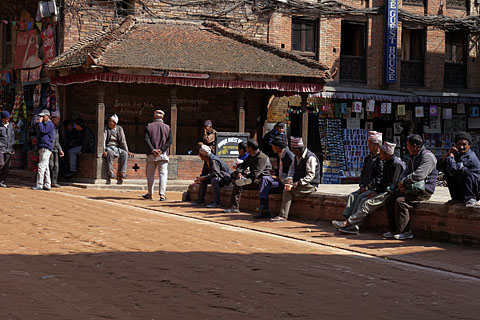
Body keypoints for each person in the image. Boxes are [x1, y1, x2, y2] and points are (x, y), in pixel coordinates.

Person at [332, 141, 405, 235]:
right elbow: (383, 181)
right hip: (382, 189)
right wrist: (374, 190)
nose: (380, 154)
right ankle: (353, 226)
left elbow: (392, 184)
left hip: (391, 192)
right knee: (361, 198)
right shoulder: (384, 161)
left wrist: (376, 191)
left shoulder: (395, 164)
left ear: (386, 154)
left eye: (381, 152)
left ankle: (349, 223)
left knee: (367, 203)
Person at [384, 134, 438, 240]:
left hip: (424, 190)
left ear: (414, 146)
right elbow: (406, 172)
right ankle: (393, 229)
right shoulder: (412, 157)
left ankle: (405, 231)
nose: (407, 148)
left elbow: (420, 174)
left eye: (408, 146)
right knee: (389, 200)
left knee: (401, 202)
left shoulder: (428, 157)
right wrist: (401, 182)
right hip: (410, 188)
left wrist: (404, 182)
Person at [269, 137, 320, 222]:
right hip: (299, 182)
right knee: (287, 186)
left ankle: (283, 215)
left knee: (287, 190)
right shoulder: (297, 157)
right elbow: (291, 170)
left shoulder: (310, 157)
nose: (292, 152)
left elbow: (310, 175)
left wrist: (297, 183)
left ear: (297, 149)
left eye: (292, 150)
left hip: (310, 185)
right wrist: (290, 179)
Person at [342, 131, 384, 221]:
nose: (368, 146)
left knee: (361, 198)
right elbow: (363, 173)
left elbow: (379, 177)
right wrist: (362, 185)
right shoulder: (368, 158)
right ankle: (347, 218)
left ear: (377, 145)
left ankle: (352, 223)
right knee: (352, 196)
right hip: (364, 187)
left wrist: (367, 187)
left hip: (373, 188)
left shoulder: (380, 159)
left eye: (370, 144)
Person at [224, 138, 272, 213]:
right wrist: (239, 173)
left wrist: (243, 178)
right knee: (235, 177)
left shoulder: (262, 157)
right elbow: (241, 165)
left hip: (261, 180)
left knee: (238, 182)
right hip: (251, 178)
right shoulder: (251, 156)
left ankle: (234, 207)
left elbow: (255, 174)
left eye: (246, 147)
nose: (245, 149)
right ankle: (234, 207)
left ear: (250, 148)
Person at [254, 135, 294, 219]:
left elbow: (291, 171)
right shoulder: (278, 154)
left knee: (265, 181)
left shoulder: (289, 155)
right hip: (279, 179)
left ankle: (263, 209)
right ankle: (263, 209)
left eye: (273, 147)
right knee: (264, 179)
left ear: (278, 147)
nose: (272, 148)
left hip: (286, 181)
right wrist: (274, 172)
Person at [440, 132, 480, 207]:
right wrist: (448, 153)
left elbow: (453, 169)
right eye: (459, 144)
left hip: (476, 188)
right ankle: (456, 198)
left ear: (469, 145)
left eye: (464, 144)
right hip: (464, 187)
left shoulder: (469, 156)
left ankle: (471, 198)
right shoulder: (458, 154)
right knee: (446, 170)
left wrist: (451, 156)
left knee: (462, 170)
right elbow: (439, 165)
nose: (461, 147)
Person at [143, 109, 172, 201]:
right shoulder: (168, 127)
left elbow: (146, 139)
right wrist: (161, 150)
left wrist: (153, 150)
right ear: (162, 117)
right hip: (163, 155)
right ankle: (162, 195)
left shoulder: (149, 126)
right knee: (163, 175)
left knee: (150, 175)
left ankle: (150, 194)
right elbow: (170, 141)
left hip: (152, 155)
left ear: (154, 116)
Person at [103, 114, 133, 184]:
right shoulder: (106, 128)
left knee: (124, 153)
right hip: (109, 147)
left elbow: (123, 141)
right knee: (109, 154)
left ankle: (122, 172)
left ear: (115, 123)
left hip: (116, 148)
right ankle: (110, 172)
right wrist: (104, 150)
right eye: (109, 121)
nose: (110, 123)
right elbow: (103, 139)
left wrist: (127, 151)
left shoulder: (119, 128)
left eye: (111, 121)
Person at [33, 109, 55, 191]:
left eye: (43, 116)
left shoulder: (49, 124)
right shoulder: (45, 124)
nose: (41, 117)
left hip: (46, 147)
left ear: (47, 116)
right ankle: (47, 184)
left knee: (41, 166)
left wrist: (40, 122)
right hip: (42, 147)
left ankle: (39, 184)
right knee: (45, 167)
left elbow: (43, 130)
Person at [49, 112, 64, 188]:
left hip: (55, 148)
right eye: (57, 119)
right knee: (50, 165)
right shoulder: (49, 126)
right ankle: (48, 181)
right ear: (53, 118)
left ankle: (54, 182)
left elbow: (57, 140)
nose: (58, 120)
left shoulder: (57, 128)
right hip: (50, 148)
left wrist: (60, 149)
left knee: (56, 166)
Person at [0, 111, 15, 188]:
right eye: (5, 118)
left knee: (7, 166)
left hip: (9, 148)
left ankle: (2, 181)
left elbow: (12, 136)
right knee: (1, 164)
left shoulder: (10, 126)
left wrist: (12, 146)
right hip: (1, 148)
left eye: (8, 118)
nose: (6, 120)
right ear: (2, 119)